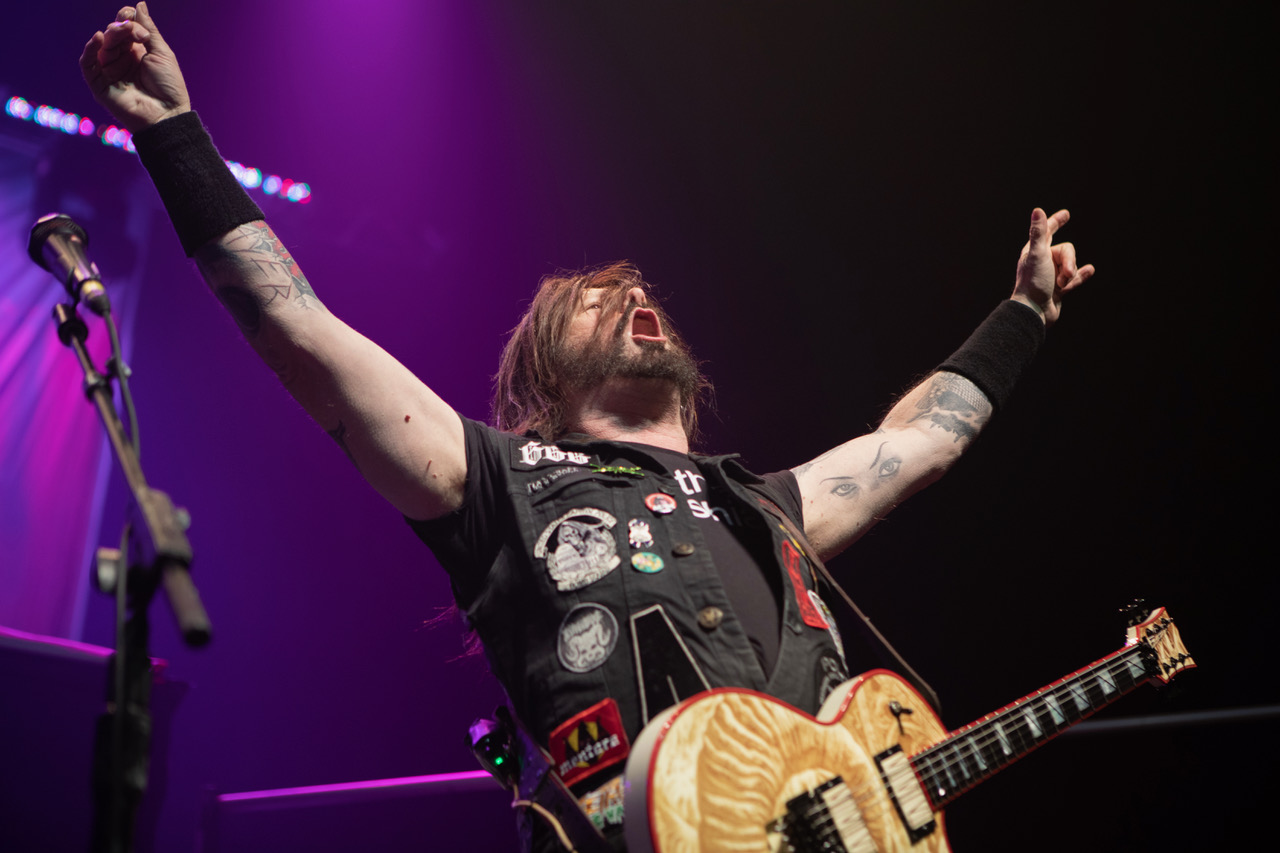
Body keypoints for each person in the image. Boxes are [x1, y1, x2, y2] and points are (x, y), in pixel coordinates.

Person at [81, 5, 1095, 851]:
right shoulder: (494, 480)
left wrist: (1021, 315)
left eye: (640, 288)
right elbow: (297, 325)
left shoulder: (765, 505)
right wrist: (173, 131)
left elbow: (925, 438)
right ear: (544, 375)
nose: (632, 295)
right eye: (595, 297)